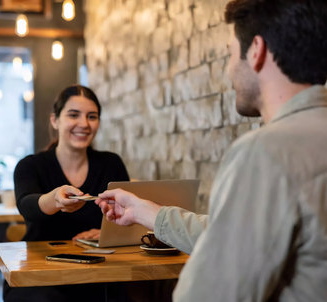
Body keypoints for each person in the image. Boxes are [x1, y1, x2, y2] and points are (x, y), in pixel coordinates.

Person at [96, 0, 327, 301]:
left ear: (256, 50)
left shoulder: (265, 153)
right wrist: (145, 212)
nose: (230, 69)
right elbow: (236, 238)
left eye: (231, 53)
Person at [3, 85, 129, 301]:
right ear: (55, 120)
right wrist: (55, 200)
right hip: (38, 277)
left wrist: (109, 233)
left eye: (92, 116)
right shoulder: (30, 166)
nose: (84, 124)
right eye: (73, 115)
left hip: (98, 274)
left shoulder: (111, 163)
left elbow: (128, 214)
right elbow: (27, 206)